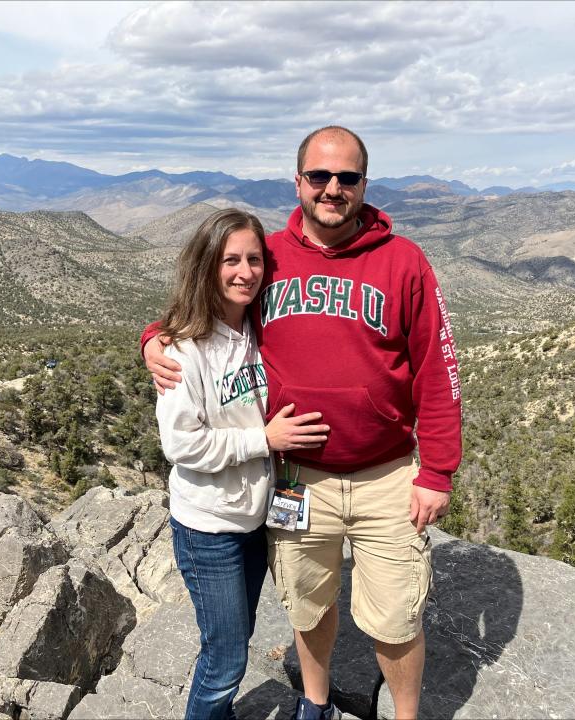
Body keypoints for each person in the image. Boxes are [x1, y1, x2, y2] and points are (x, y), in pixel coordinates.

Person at [145, 127, 462, 720]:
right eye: (320, 176)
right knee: (308, 605)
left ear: (365, 185)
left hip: (385, 475)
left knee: (395, 616)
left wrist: (437, 472)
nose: (332, 188)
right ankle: (314, 705)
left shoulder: (404, 262)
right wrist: (152, 342)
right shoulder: (268, 255)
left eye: (347, 178)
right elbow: (206, 309)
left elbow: (438, 373)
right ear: (299, 182)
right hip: (296, 477)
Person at [154, 208, 330, 720]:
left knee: (237, 637)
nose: (245, 271)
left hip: (255, 519)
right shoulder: (185, 351)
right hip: (210, 529)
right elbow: (182, 445)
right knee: (225, 659)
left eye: (254, 259)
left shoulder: (258, 328)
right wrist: (264, 440)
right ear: (207, 266)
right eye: (231, 259)